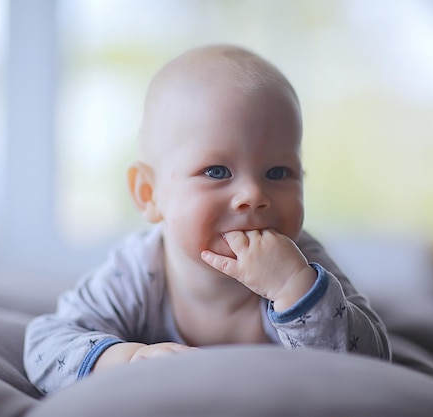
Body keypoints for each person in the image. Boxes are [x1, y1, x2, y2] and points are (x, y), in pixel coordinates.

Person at [23, 44, 391, 394]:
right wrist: (126, 359)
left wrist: (294, 289)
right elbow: (47, 345)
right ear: (149, 194)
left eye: (278, 172)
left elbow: (370, 364)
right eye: (216, 171)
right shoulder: (137, 273)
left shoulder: (303, 265)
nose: (253, 195)